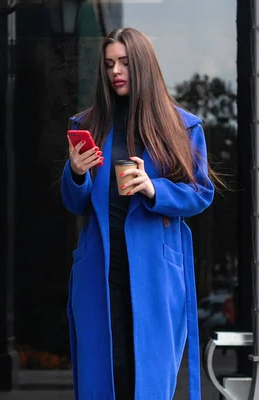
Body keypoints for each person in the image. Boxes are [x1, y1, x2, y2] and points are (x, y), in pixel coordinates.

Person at [61, 27, 218, 400]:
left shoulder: (182, 126)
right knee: (103, 376)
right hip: (99, 271)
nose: (116, 71)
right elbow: (73, 203)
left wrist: (153, 189)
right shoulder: (86, 126)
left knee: (147, 379)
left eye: (125, 63)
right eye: (110, 63)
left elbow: (201, 193)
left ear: (143, 66)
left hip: (155, 272)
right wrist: (77, 173)